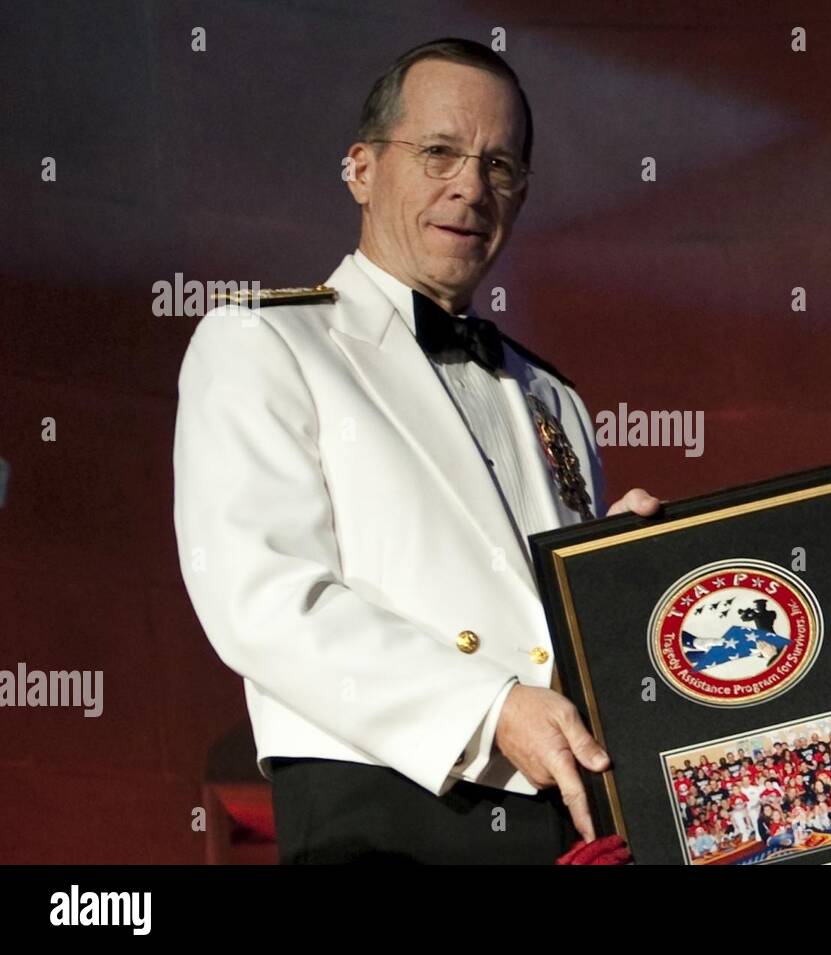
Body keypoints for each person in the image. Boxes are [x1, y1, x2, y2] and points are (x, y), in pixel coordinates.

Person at [173, 38, 659, 865]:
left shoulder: (554, 398)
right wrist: (491, 706)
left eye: (500, 166)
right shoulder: (263, 340)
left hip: (572, 821)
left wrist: (622, 579)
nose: (470, 187)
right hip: (388, 815)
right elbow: (264, 599)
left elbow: (536, 622)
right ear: (361, 169)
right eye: (438, 152)